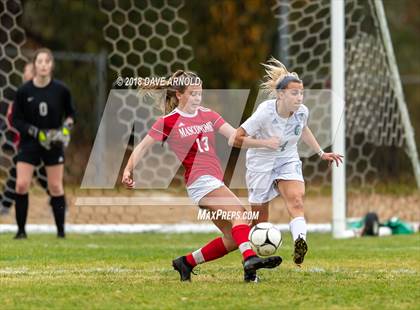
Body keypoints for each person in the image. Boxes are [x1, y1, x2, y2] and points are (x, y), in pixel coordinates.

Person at [122, 70, 282, 282]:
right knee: (241, 215)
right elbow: (142, 147)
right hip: (200, 181)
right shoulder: (168, 121)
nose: (198, 97)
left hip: (212, 180)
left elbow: (235, 137)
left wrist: (264, 141)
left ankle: (186, 262)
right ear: (179, 95)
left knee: (234, 237)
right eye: (193, 93)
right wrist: (127, 169)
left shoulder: (208, 114)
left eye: (200, 93)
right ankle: (250, 261)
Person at [230, 57, 343, 266]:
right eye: (294, 93)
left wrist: (320, 153)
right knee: (259, 221)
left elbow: (303, 128)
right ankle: (253, 258)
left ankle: (300, 242)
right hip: (260, 165)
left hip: (287, 160)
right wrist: (264, 143)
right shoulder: (264, 111)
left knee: (297, 201)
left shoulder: (302, 111)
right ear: (281, 94)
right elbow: (235, 139)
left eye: (301, 93)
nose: (299, 97)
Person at [12, 48, 76, 239]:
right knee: (22, 184)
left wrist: (66, 128)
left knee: (55, 186)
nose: (43, 65)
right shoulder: (24, 91)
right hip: (29, 143)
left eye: (47, 62)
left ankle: (61, 232)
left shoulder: (61, 90)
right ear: (34, 65)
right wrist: (35, 132)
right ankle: (21, 231)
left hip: (53, 143)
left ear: (51, 65)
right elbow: (16, 119)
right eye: (39, 62)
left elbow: (72, 114)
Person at [0, 62, 50, 215]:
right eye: (24, 70)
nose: (24, 73)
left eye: (27, 71)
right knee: (38, 173)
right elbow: (11, 120)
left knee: (21, 171)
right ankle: (57, 198)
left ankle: (5, 205)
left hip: (37, 142)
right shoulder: (21, 94)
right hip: (22, 142)